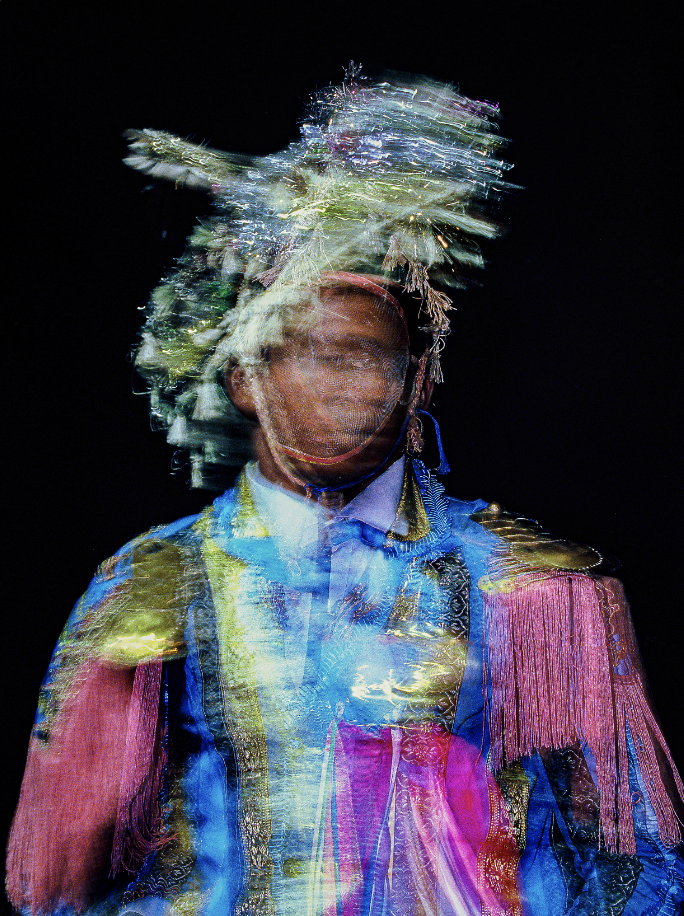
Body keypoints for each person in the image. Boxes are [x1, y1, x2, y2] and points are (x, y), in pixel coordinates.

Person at [6, 73, 684, 916]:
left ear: (419, 381)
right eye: (310, 352)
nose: (342, 383)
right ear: (245, 377)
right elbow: (61, 882)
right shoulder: (152, 586)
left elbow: (634, 866)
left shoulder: (535, 588)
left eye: (369, 356)